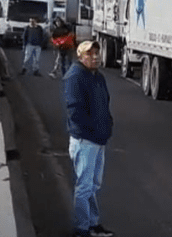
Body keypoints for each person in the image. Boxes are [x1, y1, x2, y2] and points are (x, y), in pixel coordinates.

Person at [65, 40, 115, 237]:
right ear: (80, 56)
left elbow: (105, 103)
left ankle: (92, 224)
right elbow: (75, 111)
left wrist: (107, 125)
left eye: (96, 53)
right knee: (84, 187)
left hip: (99, 139)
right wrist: (93, 131)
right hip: (85, 140)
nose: (95, 57)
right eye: (89, 54)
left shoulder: (97, 77)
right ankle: (81, 229)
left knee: (94, 185)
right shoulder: (75, 77)